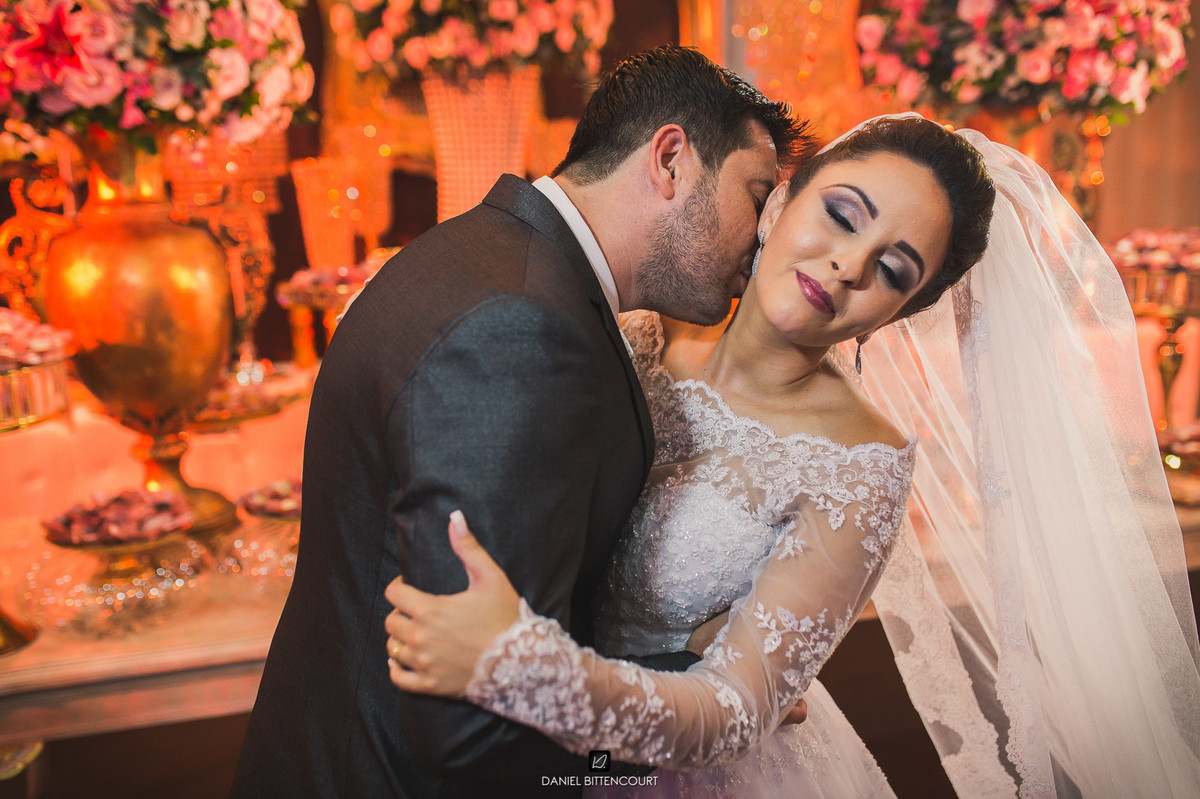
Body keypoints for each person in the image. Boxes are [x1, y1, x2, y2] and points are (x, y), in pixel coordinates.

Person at [383, 114, 1200, 798]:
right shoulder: (638, 331)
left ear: (896, 313)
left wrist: (520, 663)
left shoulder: (860, 465)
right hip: (545, 764)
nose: (849, 264)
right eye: (842, 215)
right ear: (779, 201)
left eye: (892, 269)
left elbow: (735, 714)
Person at [230, 45, 810, 799]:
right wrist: (706, 710)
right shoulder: (520, 328)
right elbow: (475, 733)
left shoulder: (486, 253)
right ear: (671, 159)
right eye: (757, 195)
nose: (765, 239)